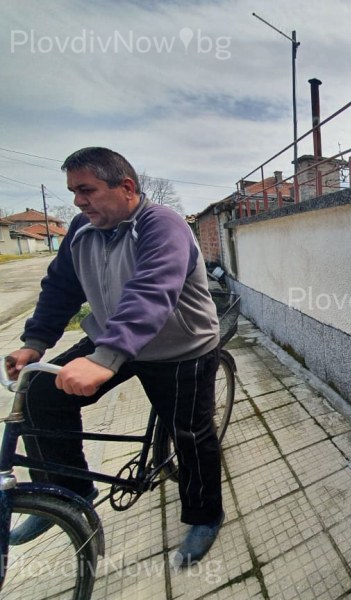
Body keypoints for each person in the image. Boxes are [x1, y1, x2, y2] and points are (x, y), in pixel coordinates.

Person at [4, 147, 224, 567]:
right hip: (115, 339)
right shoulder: (81, 229)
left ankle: (205, 516)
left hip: (180, 347)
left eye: (86, 190)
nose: (78, 201)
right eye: (73, 192)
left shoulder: (163, 225)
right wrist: (35, 342)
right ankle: (66, 493)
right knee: (38, 395)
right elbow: (60, 289)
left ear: (125, 187)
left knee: (191, 435)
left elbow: (152, 290)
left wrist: (105, 358)